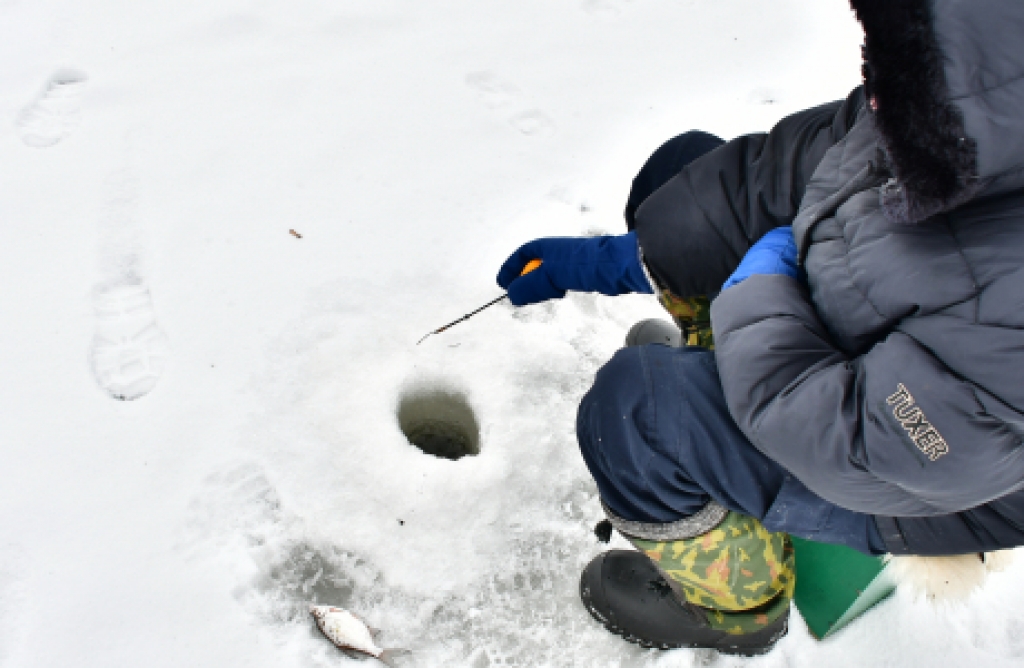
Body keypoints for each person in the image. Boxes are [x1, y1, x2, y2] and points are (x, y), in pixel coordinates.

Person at [496, 0, 1024, 656]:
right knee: (679, 177)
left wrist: (754, 296)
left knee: (638, 414)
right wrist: (629, 258)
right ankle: (710, 410)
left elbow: (857, 441)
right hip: (878, 341)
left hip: (925, 476)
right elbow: (797, 167)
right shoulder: (959, 92)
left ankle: (739, 606)